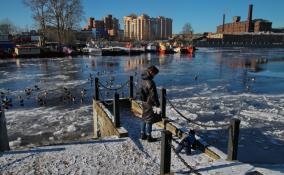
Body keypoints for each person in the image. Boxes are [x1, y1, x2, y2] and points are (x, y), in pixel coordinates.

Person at [140, 65, 160, 142]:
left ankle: (142, 134)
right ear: (151, 72)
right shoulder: (150, 82)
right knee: (149, 120)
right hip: (149, 103)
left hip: (144, 101)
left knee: (144, 118)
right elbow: (153, 95)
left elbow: (140, 91)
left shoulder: (142, 79)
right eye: (155, 74)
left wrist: (143, 99)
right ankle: (149, 137)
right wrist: (157, 104)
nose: (155, 76)